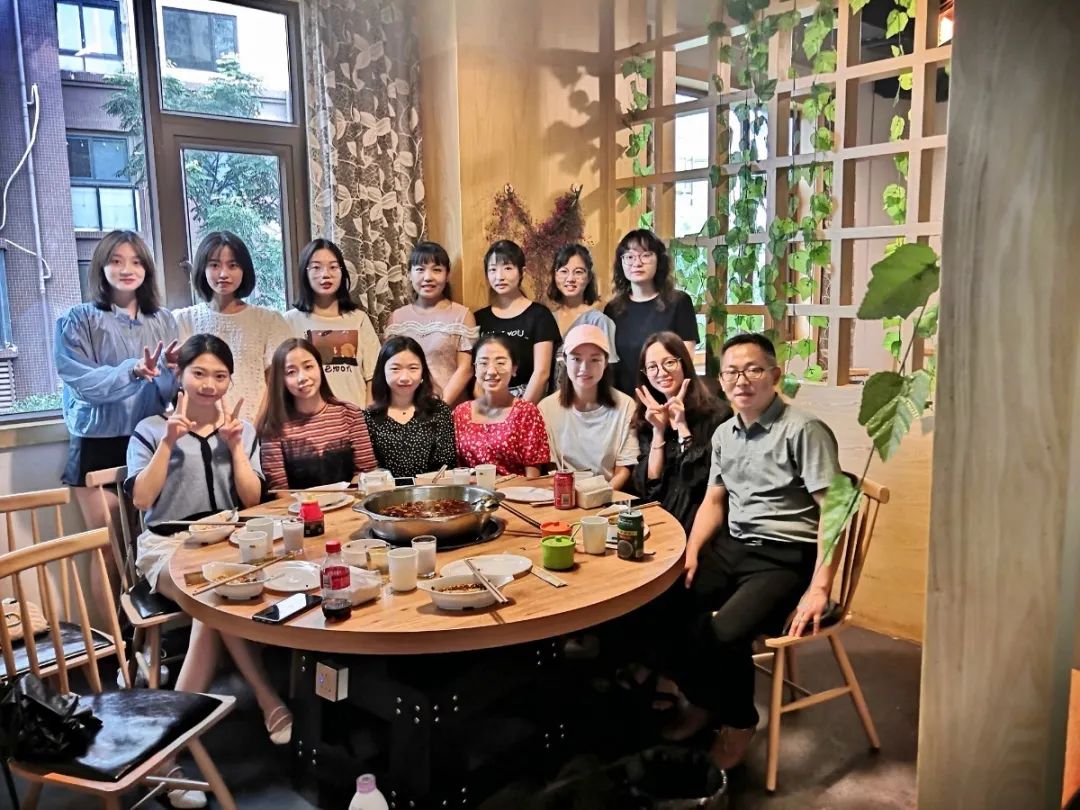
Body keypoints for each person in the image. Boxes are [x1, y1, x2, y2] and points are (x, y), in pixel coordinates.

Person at [664, 333, 842, 772]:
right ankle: (705, 700)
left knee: (725, 632)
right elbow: (714, 500)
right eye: (731, 372)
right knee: (665, 605)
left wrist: (821, 587)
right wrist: (692, 551)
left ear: (774, 375)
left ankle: (740, 722)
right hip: (734, 547)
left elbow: (836, 508)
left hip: (786, 555)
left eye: (753, 369)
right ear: (721, 381)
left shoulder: (803, 430)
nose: (741, 380)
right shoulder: (725, 433)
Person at [126, 334, 290, 808]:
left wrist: (236, 448)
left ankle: (165, 750)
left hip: (227, 542)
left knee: (218, 595)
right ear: (180, 375)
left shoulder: (241, 428)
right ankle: (264, 699)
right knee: (213, 602)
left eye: (220, 375)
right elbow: (142, 500)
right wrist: (169, 442)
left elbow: (252, 499)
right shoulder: (149, 429)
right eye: (199, 373)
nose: (210, 384)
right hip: (165, 546)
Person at [55, 230, 179, 538]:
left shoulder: (164, 320)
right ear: (101, 266)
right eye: (116, 261)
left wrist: (174, 373)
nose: (127, 270)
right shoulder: (78, 320)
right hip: (97, 443)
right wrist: (133, 371)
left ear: (147, 269)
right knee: (109, 546)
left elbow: (166, 393)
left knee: (152, 540)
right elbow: (83, 384)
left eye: (136, 262)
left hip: (149, 439)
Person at [174, 231, 290, 424]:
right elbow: (176, 380)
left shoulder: (269, 321)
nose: (223, 274)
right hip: (198, 429)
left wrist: (257, 427)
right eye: (214, 265)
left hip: (257, 427)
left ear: (245, 270)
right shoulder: (183, 320)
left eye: (233, 265)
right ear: (202, 269)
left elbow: (277, 384)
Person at [633, 332, 731, 532]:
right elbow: (649, 485)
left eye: (669, 362)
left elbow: (698, 480)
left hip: (700, 520)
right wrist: (658, 431)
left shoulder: (717, 414)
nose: (661, 372)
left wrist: (682, 426)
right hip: (657, 518)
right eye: (652, 367)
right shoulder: (647, 415)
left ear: (684, 363)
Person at [258, 338, 377, 490]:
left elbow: (366, 472)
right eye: (291, 372)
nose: (302, 378)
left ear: (320, 367)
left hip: (351, 502)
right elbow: (279, 490)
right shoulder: (274, 428)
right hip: (298, 505)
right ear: (282, 380)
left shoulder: (350, 414)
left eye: (308, 367)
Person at [284, 238, 381, 409]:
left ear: (342, 272)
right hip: (309, 420)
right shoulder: (289, 322)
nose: (325, 274)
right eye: (316, 267)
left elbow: (373, 376)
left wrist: (367, 418)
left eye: (333, 267)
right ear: (304, 273)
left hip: (354, 417)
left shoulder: (358, 319)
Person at [538, 324, 636, 490]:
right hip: (563, 495)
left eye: (594, 359)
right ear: (565, 360)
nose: (584, 368)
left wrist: (600, 496)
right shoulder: (546, 408)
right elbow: (550, 468)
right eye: (576, 359)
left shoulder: (625, 405)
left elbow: (624, 468)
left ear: (606, 362)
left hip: (609, 496)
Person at [604, 229, 699, 397]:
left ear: (659, 260)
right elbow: (609, 362)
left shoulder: (679, 302)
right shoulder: (612, 309)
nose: (637, 263)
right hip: (625, 400)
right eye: (629, 257)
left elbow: (686, 360)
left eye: (646, 255)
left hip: (669, 398)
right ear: (621, 263)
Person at [385, 241, 478, 405]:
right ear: (409, 274)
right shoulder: (397, 318)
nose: (428, 277)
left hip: (450, 407)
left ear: (447, 275)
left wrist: (440, 408)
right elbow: (390, 368)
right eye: (420, 269)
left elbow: (466, 369)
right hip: (405, 409)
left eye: (437, 270)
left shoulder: (463, 315)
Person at [473, 240, 560, 402]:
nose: (499, 276)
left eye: (507, 268)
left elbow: (541, 373)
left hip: (528, 402)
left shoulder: (539, 315)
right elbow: (476, 375)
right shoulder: (478, 318)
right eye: (492, 269)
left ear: (522, 272)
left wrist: (520, 412)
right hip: (487, 404)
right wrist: (489, 408)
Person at [453, 334, 550, 477]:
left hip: (515, 491)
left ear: (514, 368)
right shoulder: (460, 413)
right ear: (475, 368)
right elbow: (457, 470)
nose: (491, 371)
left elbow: (533, 478)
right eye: (483, 363)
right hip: (470, 490)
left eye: (500, 363)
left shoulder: (526, 412)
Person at [365, 336, 456, 479]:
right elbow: (369, 470)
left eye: (413, 368)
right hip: (386, 491)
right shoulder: (369, 417)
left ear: (422, 372)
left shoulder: (439, 411)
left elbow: (446, 465)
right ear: (382, 372)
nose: (404, 378)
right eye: (395, 369)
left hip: (432, 490)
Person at [547, 243, 619, 376]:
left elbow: (609, 373)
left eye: (578, 272)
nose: (570, 279)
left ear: (589, 277)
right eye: (563, 271)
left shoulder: (598, 321)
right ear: (555, 275)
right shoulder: (546, 319)